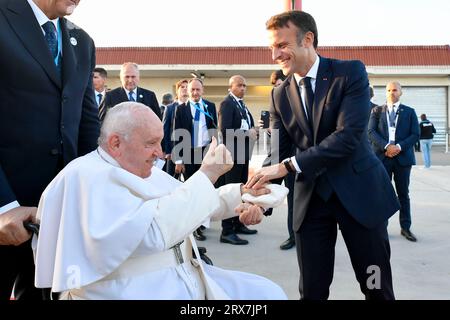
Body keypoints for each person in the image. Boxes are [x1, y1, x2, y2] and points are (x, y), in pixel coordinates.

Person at [33, 102, 288, 300]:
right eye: (151, 143)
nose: (159, 153)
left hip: (185, 276)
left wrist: (241, 194)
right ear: (116, 143)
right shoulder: (85, 177)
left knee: (268, 293)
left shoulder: (142, 168)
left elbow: (182, 201)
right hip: (138, 289)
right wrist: (208, 174)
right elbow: (153, 232)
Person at [246, 11, 399, 300]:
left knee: (376, 286)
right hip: (311, 204)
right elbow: (279, 151)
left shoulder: (349, 73)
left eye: (281, 45)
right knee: (312, 291)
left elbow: (348, 137)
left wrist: (288, 166)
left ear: (307, 39)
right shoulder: (280, 94)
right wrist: (257, 201)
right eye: (272, 48)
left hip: (360, 200)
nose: (275, 55)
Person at [0, 0, 99, 300]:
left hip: (55, 218)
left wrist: (93, 194)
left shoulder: (82, 42)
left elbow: (87, 125)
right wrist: (3, 205)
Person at [368, 81, 420, 242]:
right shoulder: (376, 111)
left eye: (395, 90)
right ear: (385, 92)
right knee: (382, 194)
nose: (392, 92)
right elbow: (371, 131)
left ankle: (405, 228)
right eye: (389, 90)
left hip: (402, 159)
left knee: (403, 194)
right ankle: (381, 227)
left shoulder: (410, 112)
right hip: (382, 158)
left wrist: (398, 147)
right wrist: (386, 147)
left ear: (401, 92)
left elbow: (415, 134)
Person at [173, 78, 218, 241]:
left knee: (205, 189)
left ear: (202, 90)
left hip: (205, 153)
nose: (195, 93)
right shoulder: (181, 109)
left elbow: (214, 130)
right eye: (192, 90)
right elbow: (177, 134)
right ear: (187, 91)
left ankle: (202, 223)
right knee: (193, 191)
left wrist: (214, 152)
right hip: (189, 154)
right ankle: (193, 227)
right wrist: (178, 160)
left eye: (198, 90)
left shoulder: (210, 107)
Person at [218, 75, 258, 245]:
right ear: (231, 87)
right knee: (231, 192)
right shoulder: (227, 104)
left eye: (245, 85)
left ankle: (237, 224)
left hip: (243, 154)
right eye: (240, 85)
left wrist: (254, 129)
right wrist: (247, 133)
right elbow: (226, 130)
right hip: (232, 155)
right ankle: (226, 230)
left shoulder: (241, 104)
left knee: (241, 191)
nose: (243, 88)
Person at [162, 79, 189, 177]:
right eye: (182, 87)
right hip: (173, 153)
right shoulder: (170, 108)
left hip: (190, 153)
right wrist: (167, 151)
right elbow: (165, 130)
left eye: (187, 87)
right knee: (171, 181)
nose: (185, 89)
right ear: (177, 90)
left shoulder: (194, 108)